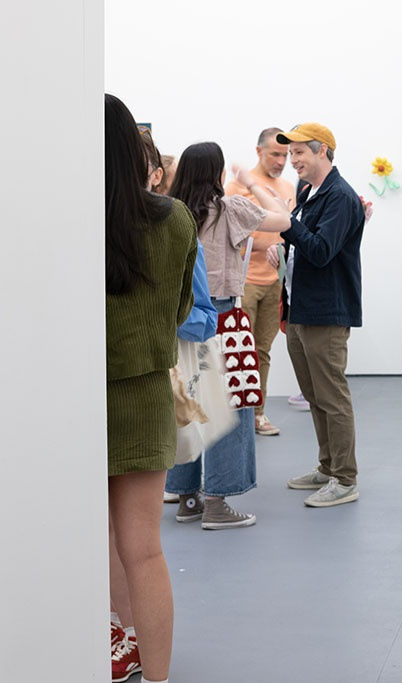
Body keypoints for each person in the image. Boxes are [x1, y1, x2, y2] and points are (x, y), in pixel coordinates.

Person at [105, 93, 197, 683]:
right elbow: (183, 306)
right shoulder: (173, 218)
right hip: (144, 399)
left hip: (70, 404)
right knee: (143, 549)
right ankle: (153, 672)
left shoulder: (61, 220)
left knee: (92, 544)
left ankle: (116, 646)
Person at [166, 141, 291, 529]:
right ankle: (217, 502)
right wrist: (250, 183)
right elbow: (283, 219)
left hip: (179, 320)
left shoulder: (171, 213)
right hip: (221, 317)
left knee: (187, 405)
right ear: (217, 172)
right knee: (228, 410)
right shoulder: (230, 209)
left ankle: (186, 497)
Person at [271, 123, 366, 507]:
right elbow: (303, 246)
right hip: (301, 307)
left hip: (327, 310)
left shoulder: (340, 197)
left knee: (332, 396)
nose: (292, 161)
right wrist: (282, 247)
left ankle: (345, 478)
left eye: (299, 153)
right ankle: (328, 467)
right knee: (314, 395)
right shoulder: (308, 191)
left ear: (322, 151)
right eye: (290, 154)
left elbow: (322, 250)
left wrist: (286, 223)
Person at [224, 127, 297, 436]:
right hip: (243, 281)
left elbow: (288, 229)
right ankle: (234, 416)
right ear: (259, 152)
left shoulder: (287, 186)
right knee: (239, 350)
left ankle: (258, 413)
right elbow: (229, 232)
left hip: (274, 281)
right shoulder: (236, 188)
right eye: (274, 155)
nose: (281, 161)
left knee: (262, 350)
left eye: (285, 155)